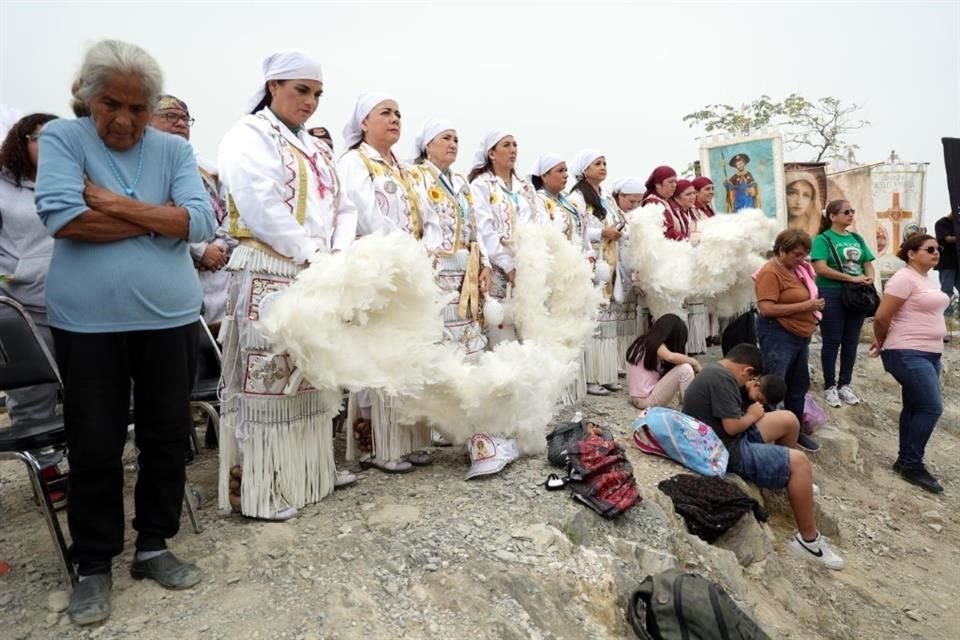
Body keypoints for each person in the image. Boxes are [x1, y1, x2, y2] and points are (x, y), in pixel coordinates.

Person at [35, 39, 216, 625]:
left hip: (170, 318)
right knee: (94, 442)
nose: (124, 119)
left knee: (167, 435)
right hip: (87, 323)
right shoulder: (64, 138)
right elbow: (63, 217)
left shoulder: (171, 148)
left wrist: (111, 203)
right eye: (111, 103)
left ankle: (154, 545)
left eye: (139, 108)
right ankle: (93, 564)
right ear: (87, 97)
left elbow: (202, 221)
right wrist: (160, 220)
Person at [217, 49, 354, 521]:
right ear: (273, 87)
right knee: (266, 379)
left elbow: (345, 206)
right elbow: (258, 202)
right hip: (267, 265)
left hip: (314, 269)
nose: (311, 101)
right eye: (302, 90)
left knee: (310, 376)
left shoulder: (315, 148)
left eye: (317, 93)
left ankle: (308, 470)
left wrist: (334, 253)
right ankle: (259, 486)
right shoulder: (249, 134)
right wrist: (309, 252)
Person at [338, 92, 440, 473]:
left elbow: (430, 217)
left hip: (410, 268)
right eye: (385, 113)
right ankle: (377, 444)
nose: (395, 118)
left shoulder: (407, 170)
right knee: (377, 354)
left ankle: (408, 438)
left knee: (408, 353)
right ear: (364, 122)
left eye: (398, 113)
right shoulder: (354, 162)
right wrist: (404, 247)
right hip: (378, 266)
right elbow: (363, 214)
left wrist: (425, 247)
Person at [682, 344, 843, 570]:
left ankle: (785, 479)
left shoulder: (715, 371)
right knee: (800, 463)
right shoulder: (724, 380)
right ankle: (808, 542)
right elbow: (731, 427)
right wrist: (752, 414)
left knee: (788, 419)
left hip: (728, 439)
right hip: (727, 450)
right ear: (747, 371)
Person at [871, 233, 949, 494]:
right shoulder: (903, 278)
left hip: (929, 352)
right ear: (912, 253)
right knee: (931, 408)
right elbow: (882, 316)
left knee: (915, 407)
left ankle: (904, 460)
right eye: (929, 249)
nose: (936, 253)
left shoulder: (927, 279)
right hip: (907, 351)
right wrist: (881, 342)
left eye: (937, 249)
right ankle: (913, 465)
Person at [149, 94, 234, 329]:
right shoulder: (142, 169)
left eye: (185, 119)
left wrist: (219, 247)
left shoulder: (209, 169)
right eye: (170, 116)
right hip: (171, 274)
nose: (180, 124)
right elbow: (152, 219)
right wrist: (200, 250)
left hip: (218, 277)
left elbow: (232, 214)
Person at [410, 117, 490, 362]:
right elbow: (415, 224)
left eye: (456, 139)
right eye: (446, 138)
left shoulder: (460, 182)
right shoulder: (416, 175)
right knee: (439, 331)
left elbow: (475, 227)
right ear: (427, 146)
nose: (453, 144)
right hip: (436, 266)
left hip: (465, 267)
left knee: (466, 332)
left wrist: (484, 263)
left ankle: (467, 391)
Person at [0, 113, 59, 428]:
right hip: (26, 310)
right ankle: (45, 465)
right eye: (41, 139)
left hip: (80, 305)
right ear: (21, 141)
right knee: (32, 395)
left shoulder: (79, 182)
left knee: (92, 389)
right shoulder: (3, 185)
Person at [530, 153, 592, 405]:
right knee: (556, 328)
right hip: (557, 272)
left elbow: (583, 233)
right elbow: (547, 237)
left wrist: (587, 255)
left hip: (575, 270)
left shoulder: (568, 202)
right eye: (559, 171)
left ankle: (572, 386)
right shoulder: (540, 202)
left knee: (573, 326)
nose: (565, 175)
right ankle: (555, 389)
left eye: (567, 170)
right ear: (544, 176)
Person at [754, 229, 823, 451]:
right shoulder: (771, 272)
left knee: (798, 383)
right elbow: (766, 308)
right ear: (782, 250)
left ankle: (794, 430)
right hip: (778, 333)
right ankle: (767, 429)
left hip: (800, 333)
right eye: (796, 254)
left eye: (803, 255)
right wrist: (806, 306)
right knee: (775, 382)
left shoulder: (799, 270)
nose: (800, 259)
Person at [469, 130, 538, 346]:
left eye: (515, 145)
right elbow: (484, 229)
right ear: (491, 153)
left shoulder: (525, 187)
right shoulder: (481, 185)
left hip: (527, 267)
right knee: (502, 330)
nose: (513, 150)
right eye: (506, 145)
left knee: (529, 332)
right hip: (499, 268)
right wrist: (508, 265)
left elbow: (538, 223)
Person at [568, 149, 625, 396]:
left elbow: (619, 221)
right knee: (594, 318)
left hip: (610, 260)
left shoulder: (607, 199)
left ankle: (606, 373)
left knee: (608, 317)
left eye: (605, 163)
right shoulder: (577, 198)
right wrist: (603, 233)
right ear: (584, 169)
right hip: (593, 260)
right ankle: (592, 377)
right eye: (597, 164)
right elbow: (577, 230)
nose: (603, 167)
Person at [810, 199, 876, 408]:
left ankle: (845, 384)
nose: (850, 215)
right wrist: (850, 278)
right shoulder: (823, 239)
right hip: (832, 292)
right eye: (846, 211)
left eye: (852, 211)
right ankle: (830, 385)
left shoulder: (856, 238)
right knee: (832, 340)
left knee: (851, 340)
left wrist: (869, 278)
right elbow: (820, 268)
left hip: (856, 294)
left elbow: (867, 262)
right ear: (833, 216)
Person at [625, 313, 701, 409]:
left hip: (637, 399)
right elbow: (671, 357)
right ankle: (690, 410)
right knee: (685, 369)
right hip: (646, 400)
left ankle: (686, 405)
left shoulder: (643, 341)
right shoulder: (655, 344)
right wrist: (694, 362)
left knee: (683, 369)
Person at [934, 211, 958, 323]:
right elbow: (947, 239)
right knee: (947, 290)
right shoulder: (941, 223)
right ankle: (946, 318)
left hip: (957, 263)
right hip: (947, 263)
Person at [785, 172, 822, 238]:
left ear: (811, 201)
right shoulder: (772, 225)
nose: (798, 201)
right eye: (792, 193)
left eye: (806, 195)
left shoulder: (822, 231)